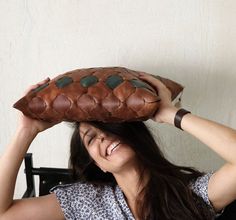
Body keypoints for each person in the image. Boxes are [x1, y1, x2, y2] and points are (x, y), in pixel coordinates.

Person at [0, 73, 236, 220]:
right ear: (97, 163)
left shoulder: (188, 193)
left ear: (131, 134)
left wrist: (168, 113)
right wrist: (26, 131)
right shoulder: (87, 201)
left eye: (108, 128)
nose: (102, 137)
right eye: (91, 139)